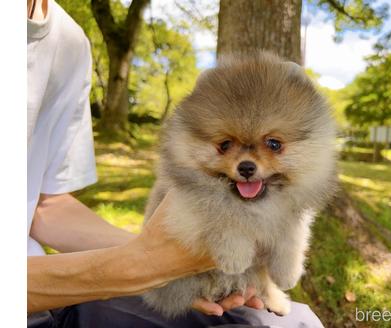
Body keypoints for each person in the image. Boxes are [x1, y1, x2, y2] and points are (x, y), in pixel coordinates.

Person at [27, 0, 324, 327]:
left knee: (301, 322)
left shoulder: (69, 43)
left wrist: (162, 258)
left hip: (56, 291)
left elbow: (44, 206)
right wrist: (132, 268)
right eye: (225, 145)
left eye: (273, 144)